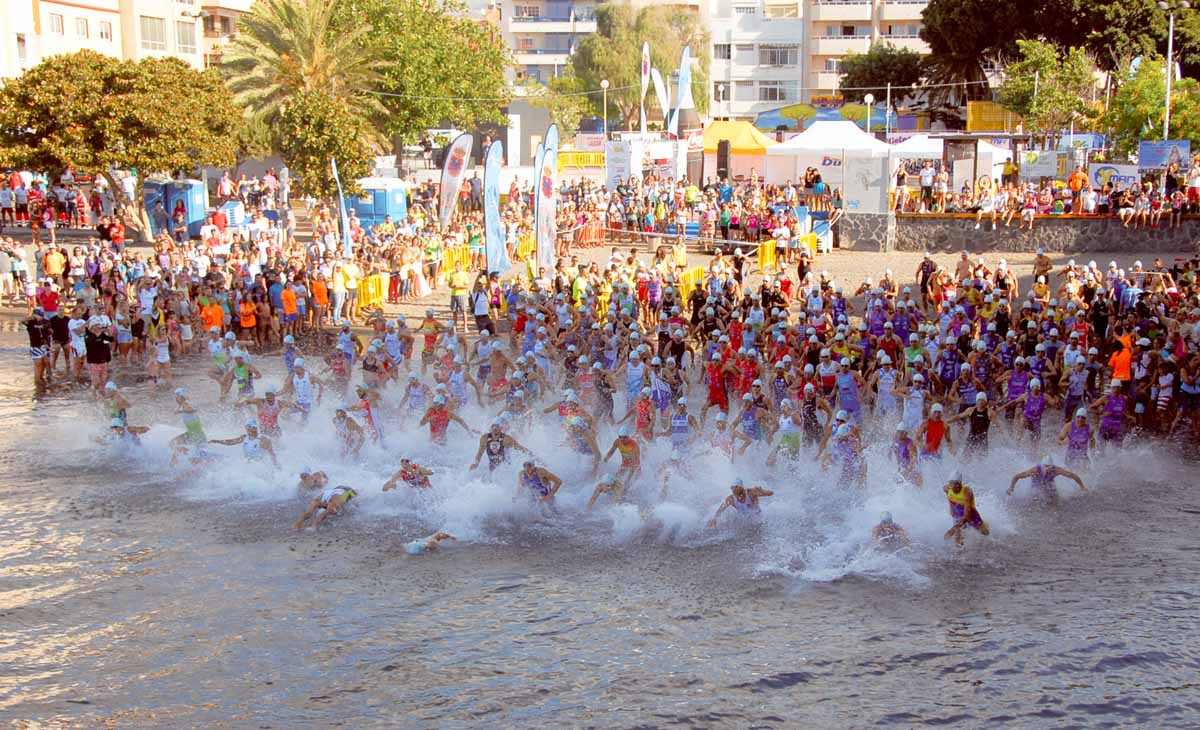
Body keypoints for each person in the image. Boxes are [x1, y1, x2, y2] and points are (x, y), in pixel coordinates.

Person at [1007, 455, 1087, 506]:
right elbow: (1016, 477)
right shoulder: (1035, 470)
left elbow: (1072, 475)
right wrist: (1011, 488)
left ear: (1052, 466)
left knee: (1055, 501)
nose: (1048, 469)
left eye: (1049, 467)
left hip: (1049, 482)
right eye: (1045, 466)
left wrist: (1082, 486)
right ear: (1042, 466)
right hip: (1037, 483)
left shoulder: (1056, 470)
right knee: (1035, 501)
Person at [208, 419, 280, 467]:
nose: (247, 429)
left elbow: (272, 454)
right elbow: (230, 442)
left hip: (260, 466)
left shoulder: (263, 439)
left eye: (249, 427)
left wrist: (275, 465)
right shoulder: (244, 437)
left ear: (254, 427)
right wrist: (216, 441)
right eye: (247, 427)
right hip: (248, 465)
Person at [943, 472, 989, 546]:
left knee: (985, 533)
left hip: (970, 512)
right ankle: (960, 550)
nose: (956, 486)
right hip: (957, 509)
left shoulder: (967, 492)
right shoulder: (946, 488)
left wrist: (952, 530)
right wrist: (951, 508)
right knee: (958, 537)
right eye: (952, 483)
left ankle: (984, 526)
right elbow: (949, 496)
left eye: (957, 483)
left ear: (960, 483)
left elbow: (967, 516)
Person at [707, 479, 773, 527]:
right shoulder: (731, 499)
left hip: (759, 520)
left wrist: (762, 491)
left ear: (741, 487)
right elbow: (721, 508)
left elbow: (770, 493)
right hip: (746, 522)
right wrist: (715, 518)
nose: (733, 489)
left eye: (736, 487)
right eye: (732, 487)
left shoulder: (751, 493)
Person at [294, 484, 358, 529]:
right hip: (337, 490)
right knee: (310, 512)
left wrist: (314, 525)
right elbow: (308, 513)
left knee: (354, 503)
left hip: (348, 491)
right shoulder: (318, 500)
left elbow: (325, 513)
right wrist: (299, 522)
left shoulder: (336, 501)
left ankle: (360, 491)